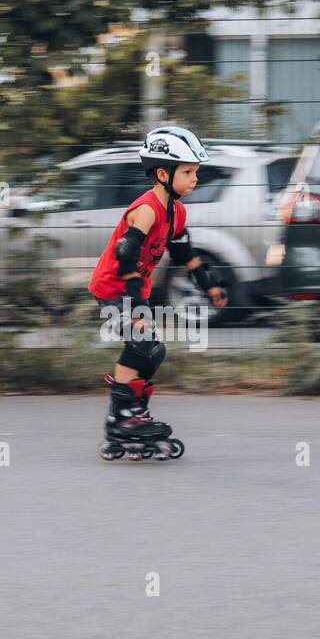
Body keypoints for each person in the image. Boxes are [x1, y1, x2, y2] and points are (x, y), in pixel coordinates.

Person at [87, 127, 230, 451]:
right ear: (163, 173)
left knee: (154, 351)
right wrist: (138, 310)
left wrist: (210, 287)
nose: (195, 178)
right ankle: (122, 419)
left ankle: (130, 414)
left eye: (196, 171)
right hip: (113, 286)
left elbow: (185, 255)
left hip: (134, 289)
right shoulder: (147, 209)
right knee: (142, 345)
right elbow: (126, 259)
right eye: (189, 172)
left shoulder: (176, 212)